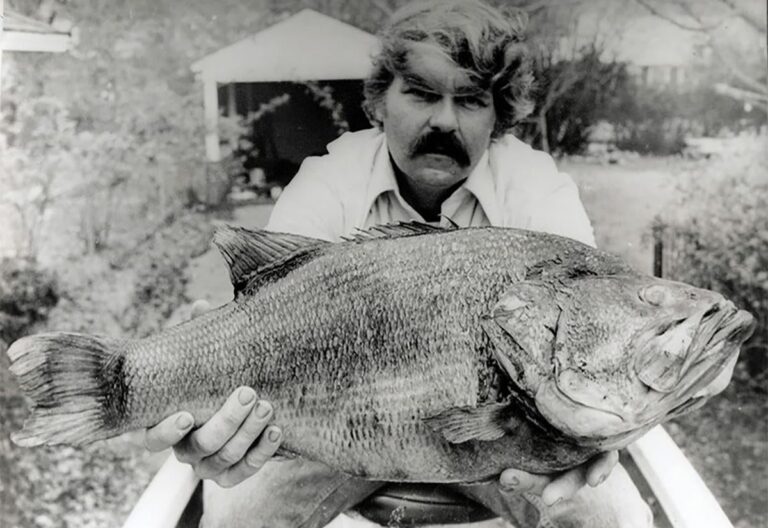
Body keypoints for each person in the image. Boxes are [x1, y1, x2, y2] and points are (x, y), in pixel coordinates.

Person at [144, 1, 654, 526]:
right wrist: (208, 404)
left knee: (613, 517)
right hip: (333, 427)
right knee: (235, 514)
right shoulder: (327, 182)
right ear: (380, 102)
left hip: (499, 442)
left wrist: (593, 429)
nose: (443, 120)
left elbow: (586, 348)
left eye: (472, 100)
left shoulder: (538, 193)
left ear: (498, 116)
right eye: (421, 92)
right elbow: (267, 327)